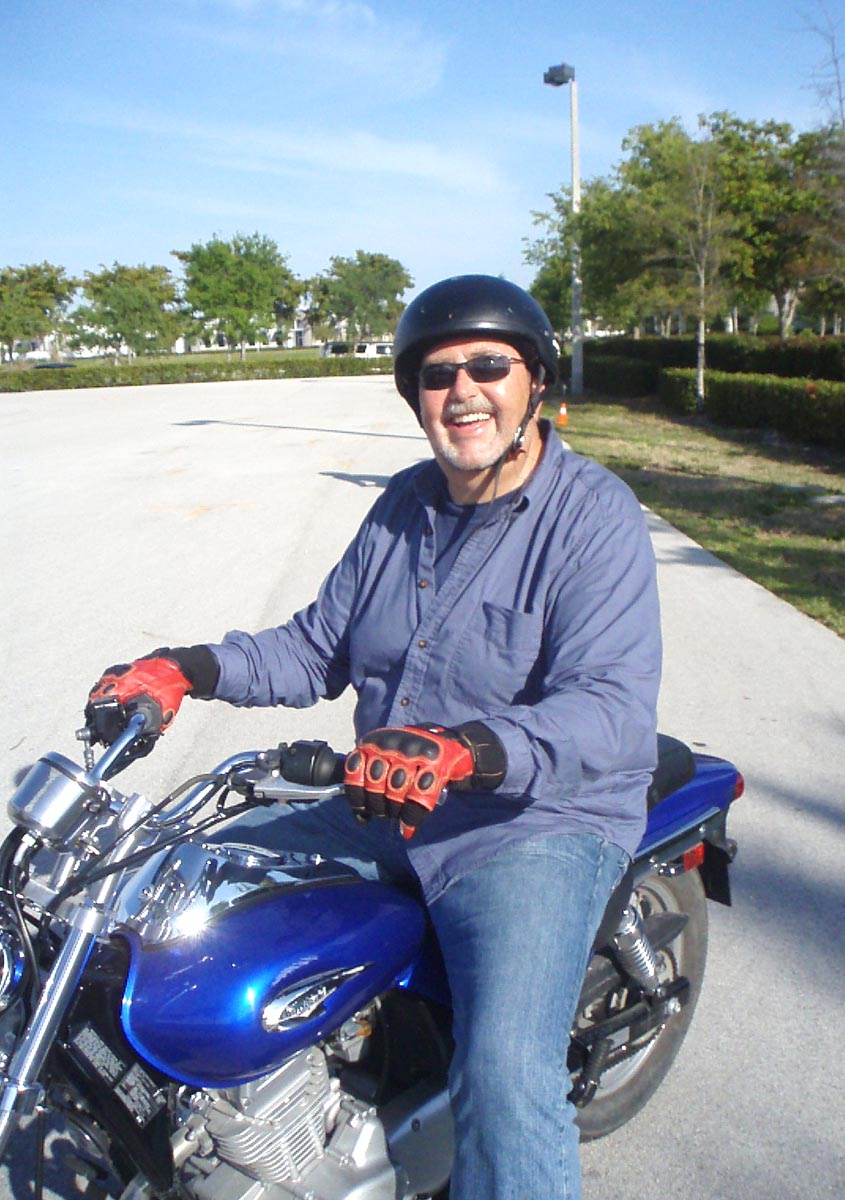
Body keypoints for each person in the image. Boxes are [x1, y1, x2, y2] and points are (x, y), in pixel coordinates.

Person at [86, 274, 662, 1200]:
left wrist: (466, 748)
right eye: (437, 374)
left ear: (535, 383)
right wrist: (185, 668)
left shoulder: (593, 515)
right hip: (385, 801)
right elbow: (317, 648)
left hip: (532, 826)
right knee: (181, 883)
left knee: (506, 1082)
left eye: (489, 366)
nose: (463, 391)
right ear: (414, 395)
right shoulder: (403, 506)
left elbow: (609, 707)